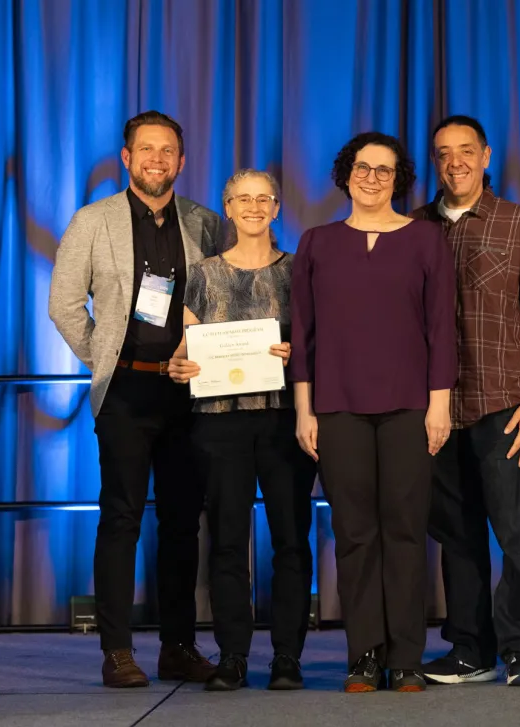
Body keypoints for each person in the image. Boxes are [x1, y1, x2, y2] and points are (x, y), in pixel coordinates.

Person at [48, 111, 221, 687]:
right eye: (146, 150)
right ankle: (117, 651)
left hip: (188, 392)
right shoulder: (92, 220)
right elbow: (65, 304)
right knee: (120, 519)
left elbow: (225, 302)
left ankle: (178, 647)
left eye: (168, 151)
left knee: (181, 524)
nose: (157, 160)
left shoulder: (205, 223)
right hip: (124, 391)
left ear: (182, 160)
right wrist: (105, 360)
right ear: (126, 158)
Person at [289, 132, 456, 693]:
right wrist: (303, 411)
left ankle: (406, 657)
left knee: (406, 532)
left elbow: (441, 328)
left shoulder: (428, 240)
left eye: (384, 170)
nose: (372, 178)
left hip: (412, 406)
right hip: (336, 408)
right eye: (363, 167)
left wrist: (440, 405)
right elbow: (302, 334)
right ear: (345, 173)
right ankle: (363, 654)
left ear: (398, 179)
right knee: (355, 534)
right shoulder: (315, 243)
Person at [412, 116, 520, 687]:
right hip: (435, 409)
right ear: (436, 161)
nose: (455, 161)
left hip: (504, 404)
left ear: (485, 156)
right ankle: (470, 649)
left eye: (466, 151)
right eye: (444, 152)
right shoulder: (415, 228)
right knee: (456, 534)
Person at [166, 169, 316, 692]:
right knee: (227, 541)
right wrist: (178, 367)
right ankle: (232, 655)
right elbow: (184, 351)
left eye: (263, 198)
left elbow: (320, 345)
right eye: (242, 199)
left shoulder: (300, 271)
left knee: (292, 540)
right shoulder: (202, 274)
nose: (253, 207)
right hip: (219, 423)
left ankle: (287, 657)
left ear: (276, 208)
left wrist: (299, 353)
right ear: (226, 208)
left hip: (283, 419)